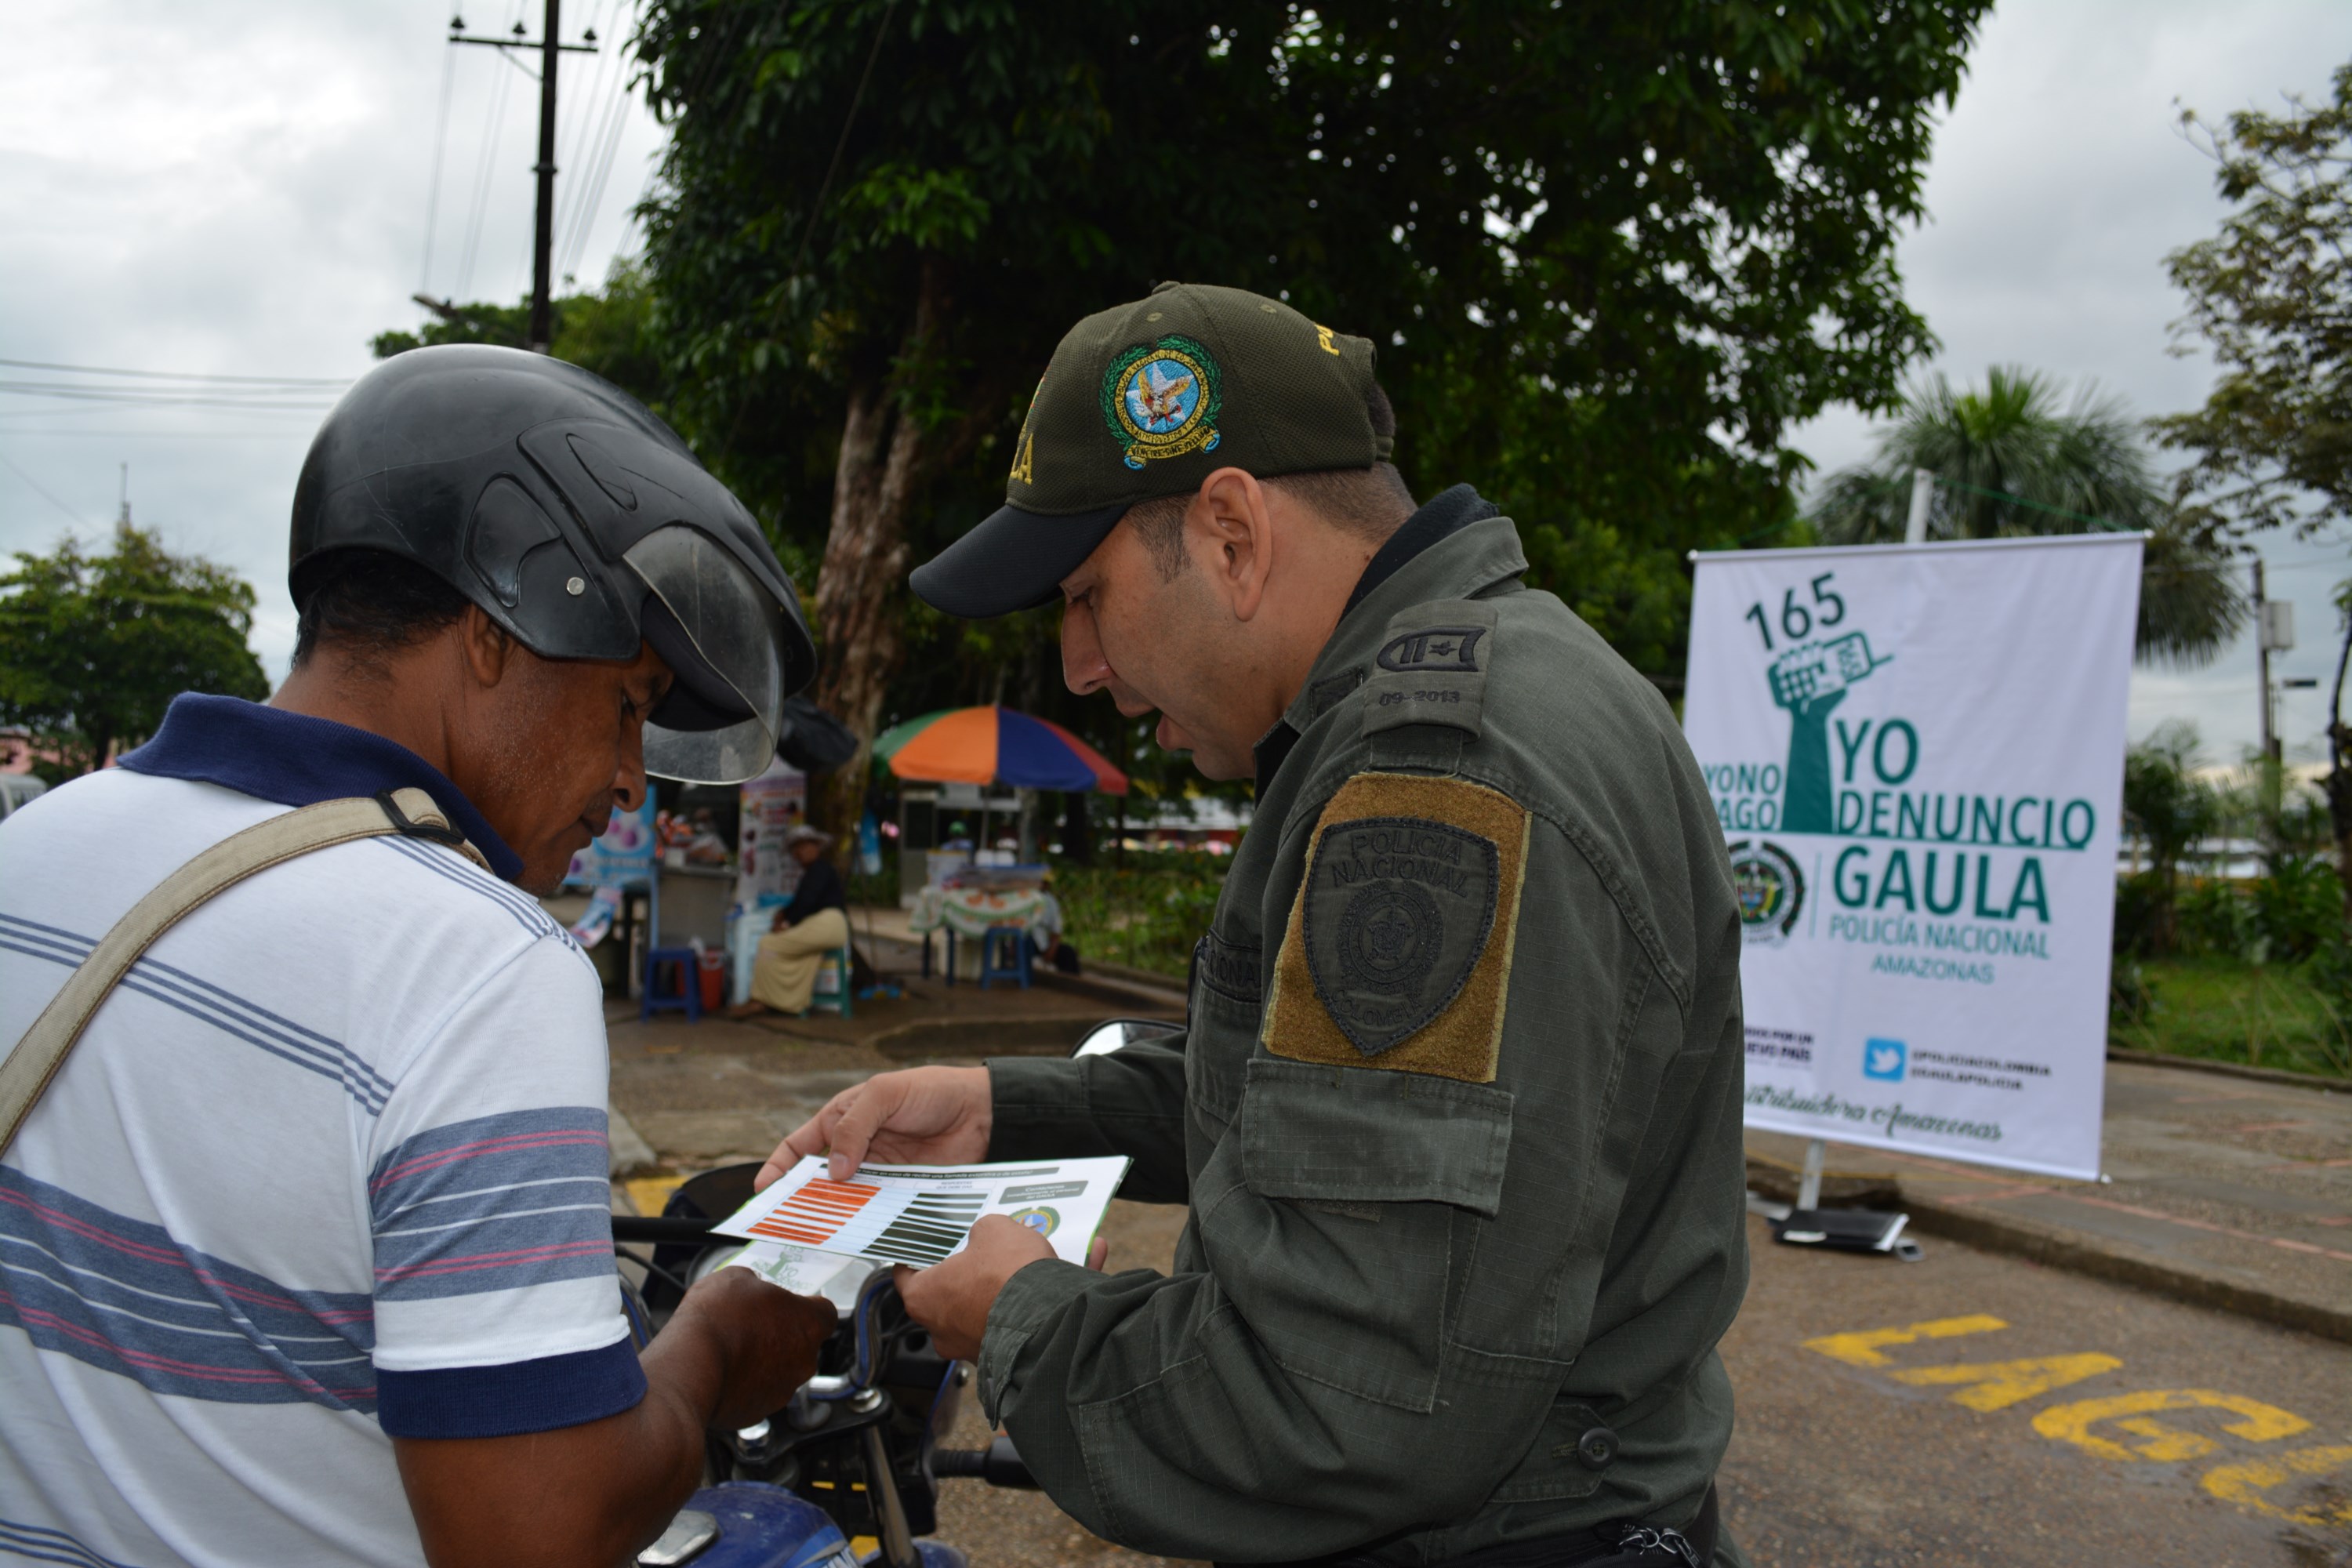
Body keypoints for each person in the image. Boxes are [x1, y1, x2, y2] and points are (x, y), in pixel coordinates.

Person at [767, 284, 1750, 1566]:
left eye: (1086, 595)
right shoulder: (1478, 690)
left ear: (1232, 533)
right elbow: (1324, 1107)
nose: (1077, 666)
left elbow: (1342, 1403)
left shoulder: (1438, 772)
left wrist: (1019, 1318)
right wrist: (1003, 1109)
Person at [0, 345, 838, 1568]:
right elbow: (532, 1534)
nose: (622, 777)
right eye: (624, 705)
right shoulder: (477, 965)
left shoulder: (38, 844)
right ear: (502, 625)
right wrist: (715, 1346)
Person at [729, 825, 851, 1017]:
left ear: (817, 847)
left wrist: (786, 922)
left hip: (829, 924)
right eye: (797, 848)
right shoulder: (814, 873)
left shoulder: (820, 869)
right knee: (801, 955)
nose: (801, 851)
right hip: (824, 926)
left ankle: (759, 1000)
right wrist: (784, 914)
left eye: (806, 846)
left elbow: (807, 902)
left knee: (769, 944)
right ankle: (788, 1002)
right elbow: (803, 902)